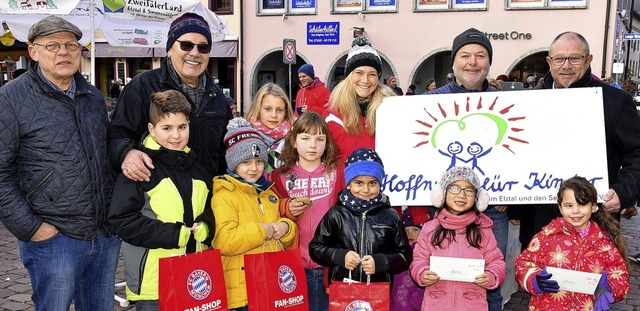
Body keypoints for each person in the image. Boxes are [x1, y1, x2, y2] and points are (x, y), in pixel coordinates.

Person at [0, 16, 121, 310]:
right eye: (52, 45)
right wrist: (31, 228)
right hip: (54, 237)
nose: (63, 52)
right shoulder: (10, 99)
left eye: (70, 45)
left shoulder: (91, 96)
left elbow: (103, 157)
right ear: (33, 52)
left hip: (102, 234)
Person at [512, 31, 640, 260]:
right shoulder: (528, 102)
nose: (566, 66)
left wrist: (624, 192)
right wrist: (514, 207)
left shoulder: (615, 101)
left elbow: (637, 153)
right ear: (549, 62)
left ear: (589, 60)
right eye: (560, 59)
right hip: (541, 221)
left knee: (591, 286)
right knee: (545, 288)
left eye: (575, 58)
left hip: (595, 220)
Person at [423, 27, 508, 311]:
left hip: (494, 212)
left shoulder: (506, 102)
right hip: (447, 211)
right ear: (454, 61)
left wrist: (515, 195)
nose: (473, 62)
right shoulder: (429, 102)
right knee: (441, 277)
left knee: (489, 281)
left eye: (481, 55)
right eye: (465, 55)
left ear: (489, 62)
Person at [108, 90, 215, 309]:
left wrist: (207, 227)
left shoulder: (199, 170)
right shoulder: (140, 169)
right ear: (152, 129)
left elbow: (210, 210)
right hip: (153, 284)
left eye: (182, 127)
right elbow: (122, 220)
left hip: (195, 279)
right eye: (167, 128)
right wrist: (175, 235)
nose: (176, 136)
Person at [108, 12, 232, 183]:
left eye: (203, 47)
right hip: (157, 200)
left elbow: (225, 151)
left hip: (205, 199)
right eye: (186, 45)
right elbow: (116, 136)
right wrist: (127, 152)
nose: (195, 53)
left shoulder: (217, 97)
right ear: (169, 49)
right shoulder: (142, 87)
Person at [212, 117, 296, 310]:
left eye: (259, 161)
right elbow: (224, 241)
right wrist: (262, 231)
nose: (254, 168)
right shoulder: (224, 195)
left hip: (270, 284)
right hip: (242, 293)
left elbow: (280, 233)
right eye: (246, 162)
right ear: (233, 163)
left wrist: (286, 227)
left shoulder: (268, 193)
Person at [514, 176, 630, 310]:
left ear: (593, 207)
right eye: (569, 205)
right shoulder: (546, 237)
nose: (575, 211)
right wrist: (534, 280)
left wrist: (608, 288)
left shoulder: (603, 243)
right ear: (560, 207)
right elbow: (523, 263)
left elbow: (619, 273)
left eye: (582, 204)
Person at [270, 112, 345, 311]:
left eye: (319, 139)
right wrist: (285, 207)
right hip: (292, 264)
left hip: (328, 264)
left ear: (327, 143)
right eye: (305, 138)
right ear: (294, 142)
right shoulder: (279, 176)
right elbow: (269, 211)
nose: (312, 145)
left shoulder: (338, 171)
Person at [309, 148, 412, 286]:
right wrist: (340, 256)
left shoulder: (390, 215)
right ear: (349, 183)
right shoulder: (337, 213)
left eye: (372, 183)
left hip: (378, 290)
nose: (365, 190)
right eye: (359, 183)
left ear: (380, 183)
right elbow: (315, 248)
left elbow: (406, 255)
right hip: (342, 289)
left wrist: (381, 262)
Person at [410, 166, 506, 311]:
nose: (462, 195)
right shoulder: (430, 229)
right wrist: (423, 273)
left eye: (469, 190)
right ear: (442, 194)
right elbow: (418, 260)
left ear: (477, 198)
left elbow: (496, 262)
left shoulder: (484, 231)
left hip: (473, 305)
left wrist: (491, 276)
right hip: (436, 305)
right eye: (455, 188)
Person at [325, 36, 396, 162]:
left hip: (385, 180)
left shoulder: (390, 109)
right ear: (349, 76)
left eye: (372, 74)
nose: (365, 80)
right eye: (359, 73)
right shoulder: (333, 115)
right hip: (346, 180)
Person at [245, 83, 295, 173]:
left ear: (286, 111)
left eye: (279, 110)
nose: (274, 115)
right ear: (258, 108)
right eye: (268, 109)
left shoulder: (295, 138)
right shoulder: (244, 136)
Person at [390, 208, 429, 311]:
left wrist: (417, 300)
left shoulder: (426, 253)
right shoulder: (399, 253)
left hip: (417, 305)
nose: (410, 234)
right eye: (406, 231)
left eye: (415, 230)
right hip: (397, 304)